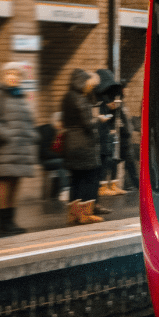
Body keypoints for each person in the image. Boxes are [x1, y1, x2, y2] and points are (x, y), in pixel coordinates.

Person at [0, 61, 37, 235]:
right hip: (4, 150)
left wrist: (32, 135)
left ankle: (10, 222)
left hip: (20, 150)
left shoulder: (20, 96)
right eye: (9, 74)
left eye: (16, 74)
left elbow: (28, 121)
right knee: (3, 187)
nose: (12, 77)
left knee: (14, 186)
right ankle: (3, 224)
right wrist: (6, 135)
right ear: (3, 76)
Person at [61, 69, 104, 225]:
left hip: (71, 145)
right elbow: (87, 124)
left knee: (76, 180)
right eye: (88, 83)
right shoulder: (80, 99)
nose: (89, 86)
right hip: (84, 145)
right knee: (89, 179)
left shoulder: (67, 97)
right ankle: (85, 214)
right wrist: (98, 120)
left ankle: (73, 214)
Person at [94, 69, 125, 198]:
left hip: (108, 131)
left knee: (112, 158)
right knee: (104, 158)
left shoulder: (108, 97)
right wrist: (108, 109)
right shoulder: (98, 98)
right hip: (101, 133)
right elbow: (98, 115)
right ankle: (102, 186)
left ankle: (112, 184)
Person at [38, 112, 65, 204]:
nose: (62, 125)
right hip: (45, 161)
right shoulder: (48, 130)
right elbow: (44, 152)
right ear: (56, 121)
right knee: (62, 162)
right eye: (61, 122)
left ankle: (55, 194)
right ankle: (64, 190)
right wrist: (60, 155)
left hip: (53, 159)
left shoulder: (57, 131)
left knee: (65, 162)